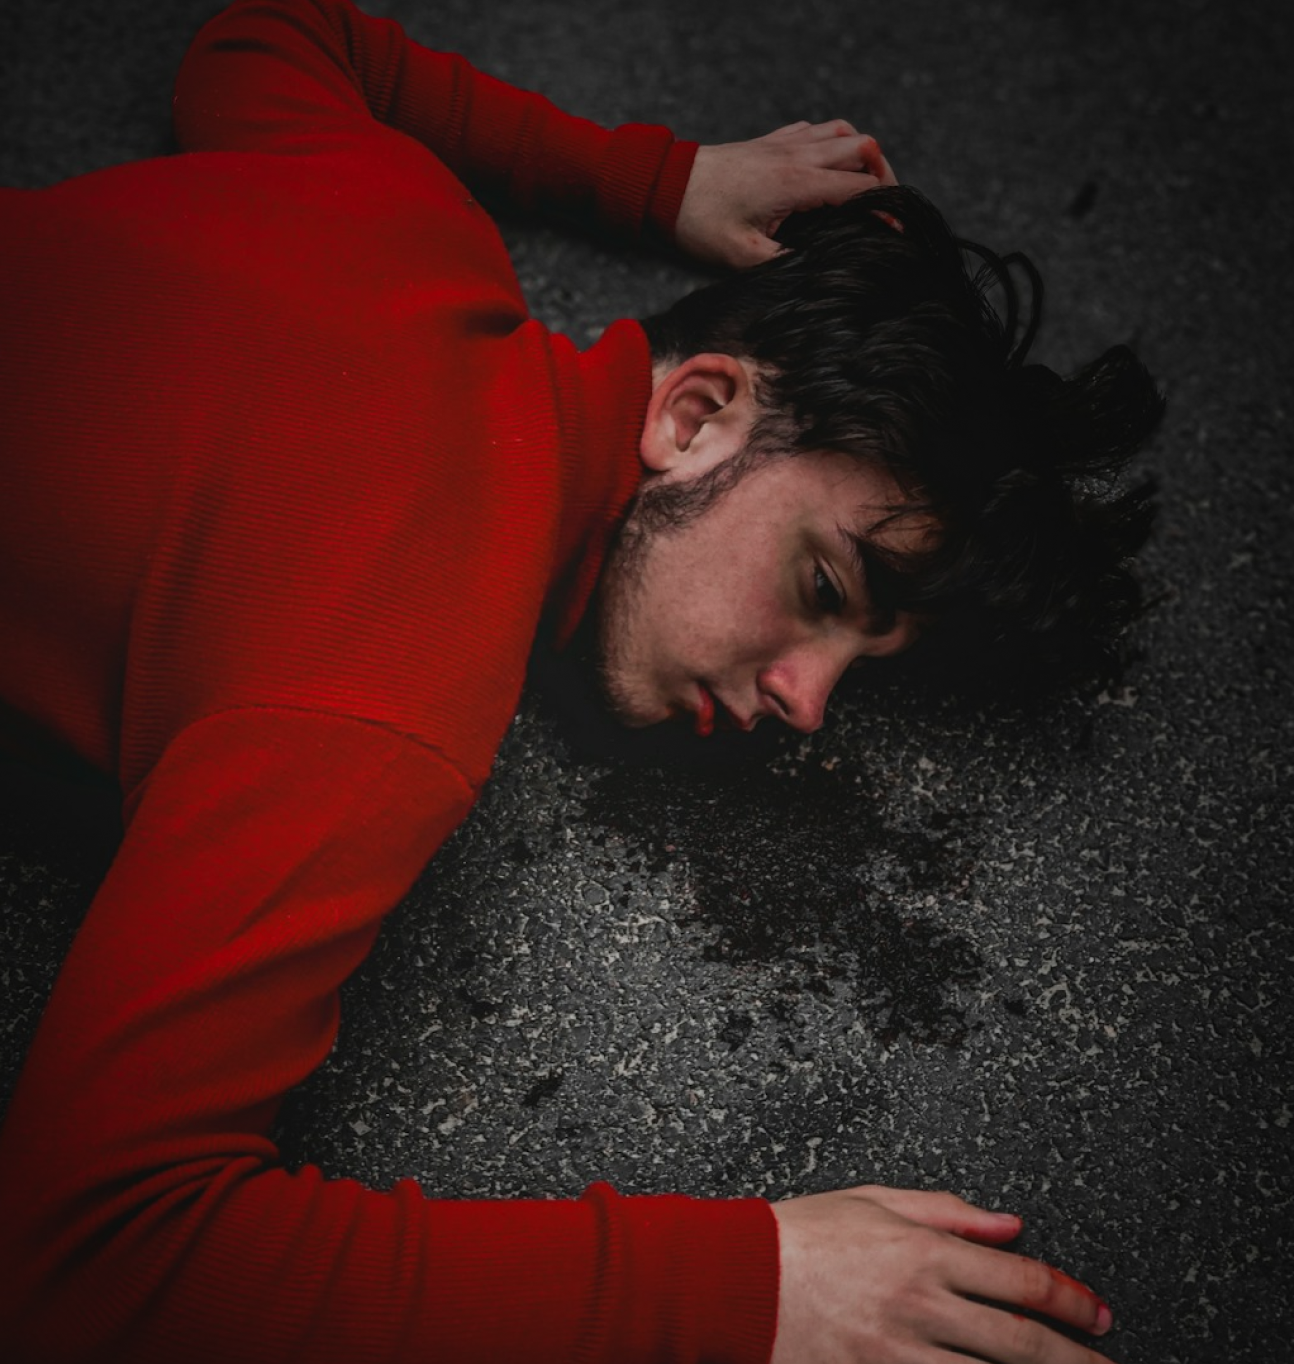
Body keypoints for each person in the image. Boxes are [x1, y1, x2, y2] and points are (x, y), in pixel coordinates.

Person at [0, 0, 1161, 1361]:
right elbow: (91, 1251)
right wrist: (749, 1290)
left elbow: (267, 42)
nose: (806, 703)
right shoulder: (383, 694)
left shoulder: (397, 205)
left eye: (857, 665)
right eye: (822, 592)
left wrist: (663, 182)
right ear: (693, 414)